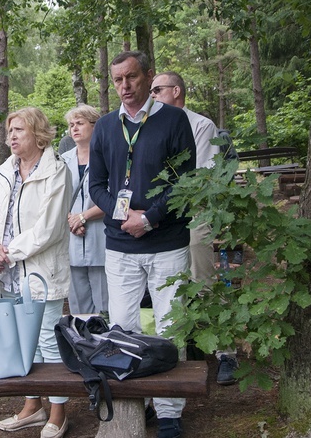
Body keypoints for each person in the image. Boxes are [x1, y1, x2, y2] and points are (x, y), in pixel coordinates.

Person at [89, 51, 196, 438]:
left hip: (167, 241)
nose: (125, 87)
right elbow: (96, 186)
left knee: (170, 325)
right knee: (123, 328)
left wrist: (148, 217)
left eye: (132, 78)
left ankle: (169, 411)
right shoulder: (103, 126)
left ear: (148, 77)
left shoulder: (173, 119)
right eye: (117, 80)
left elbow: (186, 181)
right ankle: (135, 404)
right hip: (120, 245)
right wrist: (121, 218)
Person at [0, 107, 72, 438]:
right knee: (20, 343)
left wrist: (8, 252)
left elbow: (50, 228)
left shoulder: (57, 171)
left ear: (38, 134)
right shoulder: (4, 173)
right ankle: (32, 406)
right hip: (8, 272)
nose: (11, 136)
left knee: (47, 340)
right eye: (10, 131)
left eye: (19, 130)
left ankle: (58, 411)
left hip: (41, 271)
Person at [150, 71, 238, 386]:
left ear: (177, 91)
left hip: (195, 216)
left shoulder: (201, 125)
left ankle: (227, 354)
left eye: (157, 89)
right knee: (169, 287)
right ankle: (178, 356)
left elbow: (201, 175)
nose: (152, 95)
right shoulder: (149, 126)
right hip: (161, 217)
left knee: (205, 282)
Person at [61, 106, 108, 315]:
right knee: (79, 312)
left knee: (105, 308)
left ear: (94, 126)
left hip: (101, 239)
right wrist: (71, 220)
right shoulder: (62, 161)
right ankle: (82, 348)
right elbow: (55, 199)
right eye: (71, 125)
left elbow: (116, 199)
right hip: (71, 241)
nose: (74, 129)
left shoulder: (108, 156)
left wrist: (83, 217)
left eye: (80, 123)